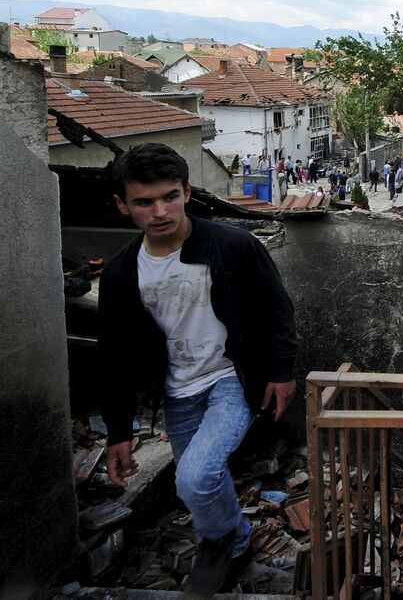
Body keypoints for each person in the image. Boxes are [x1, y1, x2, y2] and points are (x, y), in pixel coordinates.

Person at [98, 143, 297, 597]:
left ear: (187, 192)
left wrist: (282, 373)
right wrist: (117, 431)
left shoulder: (231, 244)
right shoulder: (121, 274)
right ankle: (240, 542)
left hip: (232, 377)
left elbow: (277, 310)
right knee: (198, 480)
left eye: (169, 196)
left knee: (195, 476)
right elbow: (115, 355)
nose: (160, 210)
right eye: (144, 202)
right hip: (177, 391)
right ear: (122, 205)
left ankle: (217, 543)